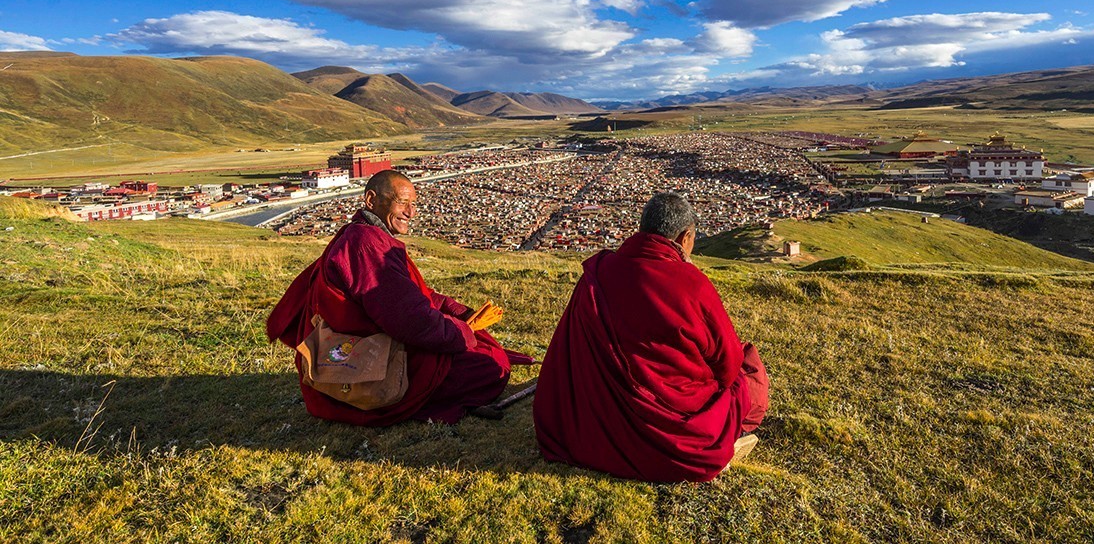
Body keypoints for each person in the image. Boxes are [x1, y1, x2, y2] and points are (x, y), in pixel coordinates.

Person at [533, 192, 768, 482]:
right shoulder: (692, 284)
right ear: (685, 238)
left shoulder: (598, 273)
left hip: (590, 427)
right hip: (672, 436)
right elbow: (729, 366)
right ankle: (730, 436)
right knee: (751, 371)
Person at [267, 170, 526, 424]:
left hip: (367, 341)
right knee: (491, 365)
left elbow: (410, 293)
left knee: (481, 344)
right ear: (371, 200)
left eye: (413, 204)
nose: (410, 212)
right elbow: (406, 317)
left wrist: (455, 311)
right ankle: (414, 404)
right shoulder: (366, 244)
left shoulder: (365, 235)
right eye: (402, 202)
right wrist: (460, 333)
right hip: (370, 354)